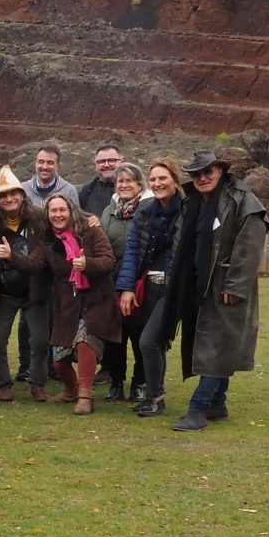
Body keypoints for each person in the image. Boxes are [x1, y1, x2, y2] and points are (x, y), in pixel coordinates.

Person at [165, 151, 269, 432]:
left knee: (217, 345)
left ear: (221, 171)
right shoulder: (192, 202)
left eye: (207, 172)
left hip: (225, 285)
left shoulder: (241, 199)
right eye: (196, 173)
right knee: (216, 344)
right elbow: (181, 239)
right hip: (198, 284)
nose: (201, 178)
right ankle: (217, 403)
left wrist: (235, 285)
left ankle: (197, 410)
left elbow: (250, 246)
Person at [12, 195, 119, 415]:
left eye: (62, 210)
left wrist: (87, 264)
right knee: (60, 361)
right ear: (48, 214)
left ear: (71, 211)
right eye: (53, 211)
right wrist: (10, 257)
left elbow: (109, 260)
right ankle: (71, 390)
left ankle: (85, 396)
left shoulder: (90, 230)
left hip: (96, 301)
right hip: (66, 305)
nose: (58, 215)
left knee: (85, 344)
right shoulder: (48, 240)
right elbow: (33, 263)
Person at [118, 158, 184, 417]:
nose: (157, 183)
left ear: (175, 180)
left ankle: (154, 395)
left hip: (174, 287)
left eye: (163, 178)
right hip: (149, 285)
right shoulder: (146, 211)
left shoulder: (187, 210)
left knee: (149, 341)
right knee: (154, 342)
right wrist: (126, 287)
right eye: (153, 179)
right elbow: (133, 250)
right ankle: (157, 394)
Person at [0, 166, 45, 403]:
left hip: (35, 290)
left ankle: (38, 383)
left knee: (40, 340)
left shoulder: (39, 218)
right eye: (3, 195)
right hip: (3, 291)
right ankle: (2, 383)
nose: (9, 198)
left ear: (22, 195)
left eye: (13, 193)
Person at [96, 161, 146, 402]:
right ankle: (116, 382)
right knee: (116, 337)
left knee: (139, 336)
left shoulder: (148, 208)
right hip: (112, 282)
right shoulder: (110, 211)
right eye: (120, 181)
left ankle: (139, 383)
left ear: (139, 184)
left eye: (129, 181)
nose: (124, 185)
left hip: (139, 284)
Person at [24, 146, 82, 211]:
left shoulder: (69, 191)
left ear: (58, 166)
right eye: (41, 162)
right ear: (35, 164)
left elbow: (76, 219)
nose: (45, 167)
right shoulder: (23, 189)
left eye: (50, 163)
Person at [78, 144, 125, 218]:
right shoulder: (86, 192)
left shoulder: (132, 189)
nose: (106, 165)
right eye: (101, 161)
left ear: (122, 162)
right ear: (95, 165)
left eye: (111, 160)